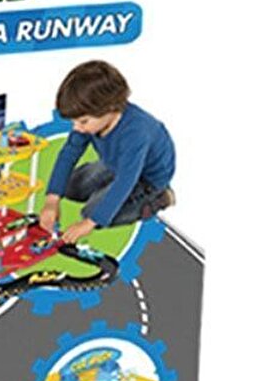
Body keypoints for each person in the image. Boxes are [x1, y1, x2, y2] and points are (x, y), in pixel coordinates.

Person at [40, 61, 175, 246]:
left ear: (109, 109)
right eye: (74, 122)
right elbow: (68, 154)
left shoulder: (136, 132)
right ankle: (103, 190)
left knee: (92, 212)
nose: (77, 128)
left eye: (83, 121)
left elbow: (126, 180)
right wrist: (52, 200)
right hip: (116, 163)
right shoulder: (91, 121)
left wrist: (89, 223)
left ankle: (159, 199)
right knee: (70, 186)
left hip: (146, 179)